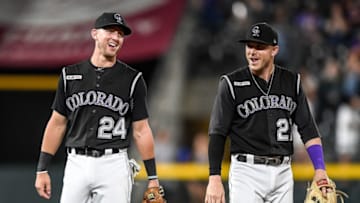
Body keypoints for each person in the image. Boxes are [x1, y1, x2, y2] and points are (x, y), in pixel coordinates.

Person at [34, 12, 161, 203]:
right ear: (94, 34)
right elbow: (57, 124)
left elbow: (141, 130)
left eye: (120, 34)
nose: (116, 37)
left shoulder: (133, 79)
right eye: (110, 31)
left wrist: (153, 178)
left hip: (114, 163)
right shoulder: (70, 75)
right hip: (77, 162)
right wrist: (42, 168)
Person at [204, 22, 331, 203]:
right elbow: (217, 133)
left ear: (274, 50)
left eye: (260, 47)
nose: (252, 52)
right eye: (249, 46)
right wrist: (214, 177)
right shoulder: (232, 84)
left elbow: (308, 129)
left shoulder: (291, 82)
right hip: (247, 172)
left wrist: (320, 169)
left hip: (283, 172)